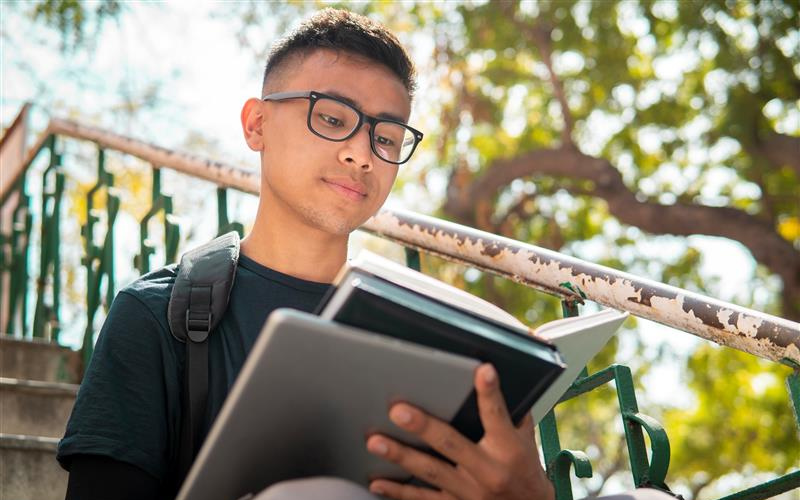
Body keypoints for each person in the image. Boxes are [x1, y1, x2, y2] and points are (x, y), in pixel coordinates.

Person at [58, 8, 676, 500]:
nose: (362, 153)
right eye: (332, 118)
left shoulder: (440, 330)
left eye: (385, 136)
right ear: (256, 126)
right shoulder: (158, 315)